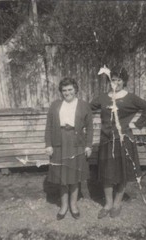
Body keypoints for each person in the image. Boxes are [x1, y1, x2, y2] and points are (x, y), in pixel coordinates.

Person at [90, 67, 146, 219]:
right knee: (106, 174)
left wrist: (136, 125)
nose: (115, 83)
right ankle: (108, 204)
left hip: (123, 141)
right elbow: (87, 108)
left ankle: (117, 203)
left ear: (124, 81)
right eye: (113, 80)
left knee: (122, 173)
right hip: (106, 141)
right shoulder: (103, 98)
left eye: (119, 80)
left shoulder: (130, 98)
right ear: (109, 81)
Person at [45, 77, 93, 220]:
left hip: (76, 142)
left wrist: (88, 145)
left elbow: (90, 127)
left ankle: (73, 205)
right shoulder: (55, 105)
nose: (67, 92)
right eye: (64, 90)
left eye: (70, 89)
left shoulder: (84, 105)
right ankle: (63, 206)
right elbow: (48, 127)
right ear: (61, 92)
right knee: (62, 176)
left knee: (74, 176)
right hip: (59, 141)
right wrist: (48, 144)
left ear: (75, 90)